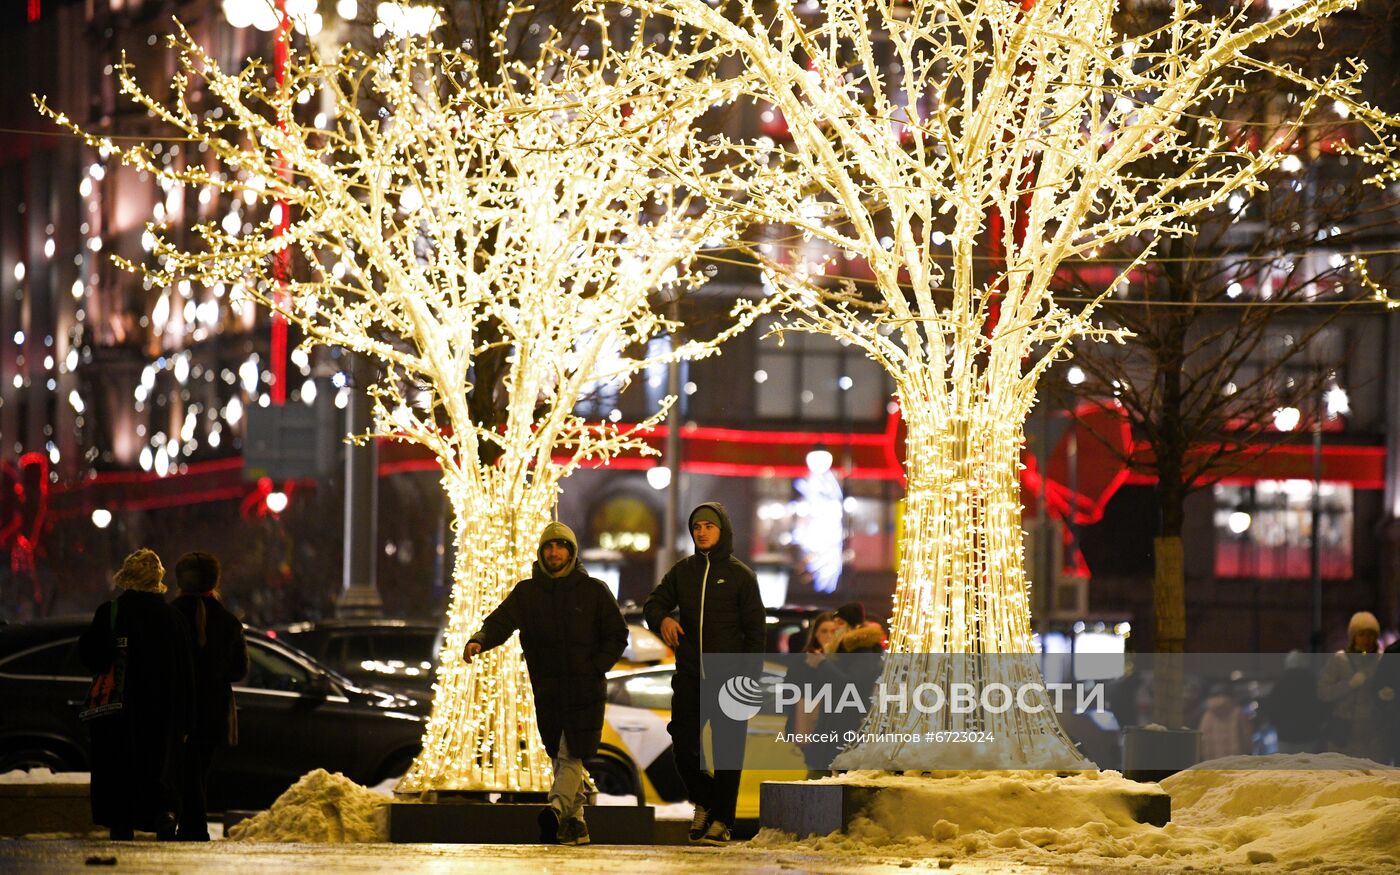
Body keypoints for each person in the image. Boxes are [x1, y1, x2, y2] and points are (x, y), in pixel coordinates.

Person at [464, 522, 628, 846]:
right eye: (548, 547)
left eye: (560, 546)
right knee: (560, 754)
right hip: (548, 690)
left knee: (571, 753)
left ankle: (554, 812)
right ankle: (575, 826)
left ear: (572, 551)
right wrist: (479, 640)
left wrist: (596, 667)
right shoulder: (527, 593)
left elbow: (617, 634)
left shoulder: (593, 591)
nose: (554, 553)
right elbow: (501, 621)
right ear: (541, 553)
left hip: (585, 690)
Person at [644, 502, 764, 846]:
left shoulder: (741, 576)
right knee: (683, 747)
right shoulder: (683, 572)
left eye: (709, 526)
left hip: (731, 681)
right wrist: (664, 619)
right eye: (696, 526)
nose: (701, 531)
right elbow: (654, 603)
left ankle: (720, 823)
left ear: (722, 530)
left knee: (728, 752)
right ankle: (710, 803)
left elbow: (756, 634)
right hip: (690, 677)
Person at [78, 549, 194, 841]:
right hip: (163, 712)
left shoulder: (111, 612)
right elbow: (185, 673)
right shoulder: (173, 618)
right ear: (158, 579)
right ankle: (163, 815)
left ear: (126, 577)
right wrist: (187, 719)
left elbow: (94, 657)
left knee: (119, 767)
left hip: (120, 712)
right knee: (160, 766)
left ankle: (121, 821)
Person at [168, 552, 248, 841]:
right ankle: (193, 826)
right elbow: (239, 670)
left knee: (182, 771)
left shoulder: (169, 616)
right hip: (213, 710)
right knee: (199, 771)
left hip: (177, 709)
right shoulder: (228, 622)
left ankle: (189, 827)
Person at [1318, 610, 1386, 762]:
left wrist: (1388, 694)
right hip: (1345, 732)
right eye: (1361, 634)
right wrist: (1349, 685)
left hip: (1373, 733)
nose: (1366, 639)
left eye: (1371, 634)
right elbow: (1324, 692)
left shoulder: (1382, 660)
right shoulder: (1340, 660)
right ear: (1353, 636)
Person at [1258, 651, 1324, 754]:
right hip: (1308, 735)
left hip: (1285, 736)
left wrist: (1274, 723)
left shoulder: (1281, 683)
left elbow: (1272, 708)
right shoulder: (1312, 682)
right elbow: (1321, 706)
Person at [1197, 684, 1253, 761]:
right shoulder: (1238, 713)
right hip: (1235, 762)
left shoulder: (1207, 715)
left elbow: (1201, 740)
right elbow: (1246, 735)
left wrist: (1203, 756)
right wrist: (1249, 752)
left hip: (1213, 763)